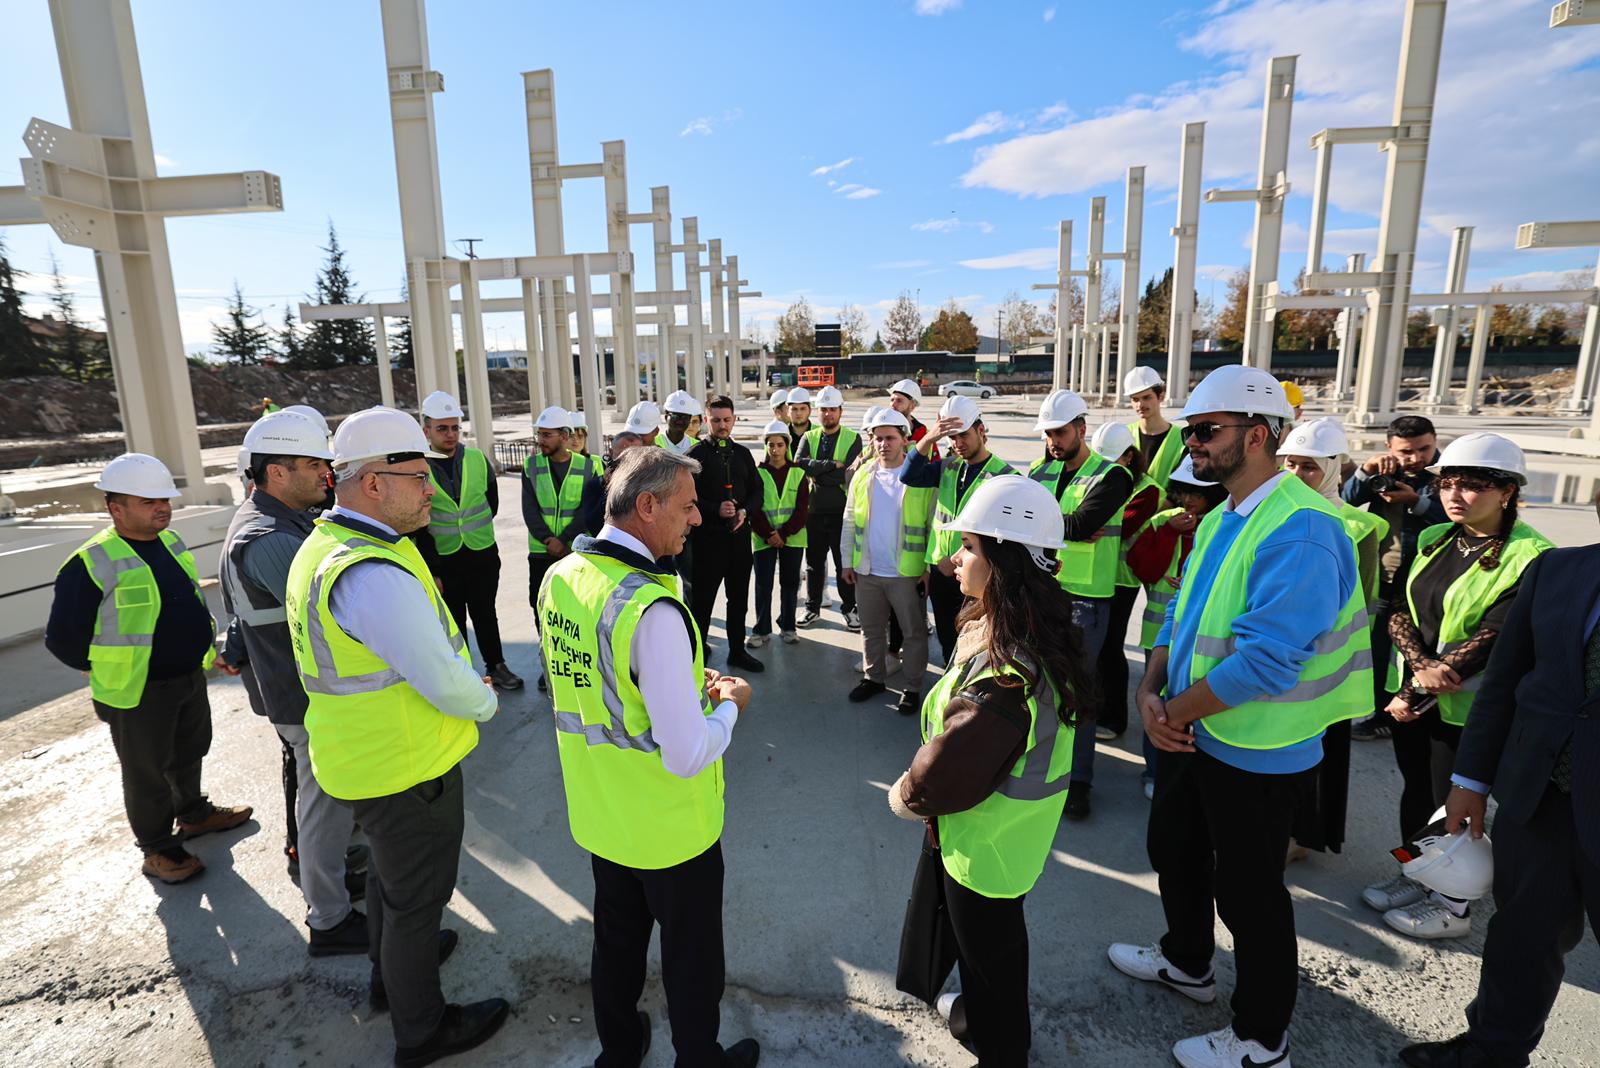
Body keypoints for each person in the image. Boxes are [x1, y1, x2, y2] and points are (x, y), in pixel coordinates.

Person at [1108, 365, 1369, 1068]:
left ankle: (1260, 1038)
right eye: (1189, 430)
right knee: (1175, 851)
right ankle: (1187, 962)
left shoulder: (1302, 530)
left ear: (1258, 436)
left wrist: (1170, 714)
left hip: (1258, 747)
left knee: (1250, 897)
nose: (1190, 442)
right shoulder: (1229, 513)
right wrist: (1150, 687)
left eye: (1205, 430)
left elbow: (1266, 663)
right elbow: (1182, 609)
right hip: (1196, 728)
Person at [284, 406, 507, 1066]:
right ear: (374, 482)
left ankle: (391, 976)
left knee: (391, 883)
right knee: (417, 901)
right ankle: (421, 1029)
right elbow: (442, 677)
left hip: (365, 757)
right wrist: (484, 701)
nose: (432, 489)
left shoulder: (334, 546)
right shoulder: (371, 574)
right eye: (419, 477)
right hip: (406, 766)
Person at [537, 446, 761, 1068]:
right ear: (647, 505)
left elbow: (595, 683)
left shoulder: (562, 578)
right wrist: (729, 708)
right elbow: (685, 754)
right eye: (687, 506)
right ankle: (699, 1059)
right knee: (692, 959)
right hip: (670, 830)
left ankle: (618, 1049)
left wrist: (680, 689)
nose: (697, 518)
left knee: (616, 943)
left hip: (601, 814)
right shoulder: (653, 610)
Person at [888, 475, 1092, 1068]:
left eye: (970, 546)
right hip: (1005, 837)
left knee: (990, 960)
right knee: (991, 949)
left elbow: (949, 765)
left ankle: (1002, 1048)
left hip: (987, 844)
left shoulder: (1007, 669)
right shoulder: (1022, 629)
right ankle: (979, 1019)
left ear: (1004, 561)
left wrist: (906, 795)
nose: (956, 558)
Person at [1396, 492, 1600, 1068]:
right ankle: (1491, 1051)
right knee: (1523, 937)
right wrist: (1470, 780)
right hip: (1542, 798)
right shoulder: (1558, 569)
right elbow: (1507, 679)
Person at [1361, 433, 1552, 939]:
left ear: (1507, 491)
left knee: (1456, 802)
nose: (1454, 495)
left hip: (1468, 709)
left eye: (1472, 485)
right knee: (1416, 789)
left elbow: (1496, 635)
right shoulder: (1435, 537)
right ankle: (1417, 871)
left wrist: (1420, 686)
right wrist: (1417, 670)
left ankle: (1453, 905)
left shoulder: (1532, 555)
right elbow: (1398, 606)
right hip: (1414, 694)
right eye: (1447, 484)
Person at [46, 453, 252, 885]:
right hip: (137, 689)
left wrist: (203, 651)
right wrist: (99, 667)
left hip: (187, 678)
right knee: (147, 773)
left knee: (189, 751)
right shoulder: (91, 562)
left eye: (164, 500)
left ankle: (193, 814)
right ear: (115, 508)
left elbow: (186, 603)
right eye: (148, 502)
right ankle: (157, 847)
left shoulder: (170, 543)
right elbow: (63, 638)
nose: (162, 508)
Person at [219, 412, 369, 953]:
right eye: (312, 464)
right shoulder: (268, 538)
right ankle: (329, 918)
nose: (325, 474)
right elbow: (340, 610)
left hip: (303, 693)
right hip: (303, 699)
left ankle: (337, 880)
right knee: (323, 808)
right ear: (276, 472)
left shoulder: (281, 521)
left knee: (332, 804)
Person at [1277, 417, 1388, 859]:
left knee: (1317, 756)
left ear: (1334, 468)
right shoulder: (1273, 511)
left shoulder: (1356, 527)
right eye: (1291, 464)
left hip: (1323, 662)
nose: (1297, 474)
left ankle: (1302, 837)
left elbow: (1359, 604)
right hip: (1280, 656)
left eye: (1309, 466)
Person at [1027, 391, 1137, 821]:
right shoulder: (1039, 471)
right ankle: (1042, 767)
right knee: (1038, 687)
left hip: (1085, 600)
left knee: (1077, 692)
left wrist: (1046, 524)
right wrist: (1062, 526)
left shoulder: (1112, 475)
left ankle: (1078, 781)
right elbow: (1057, 524)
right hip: (1040, 592)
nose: (1053, 441)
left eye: (1060, 432)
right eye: (1048, 434)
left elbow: (1084, 523)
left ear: (1081, 428)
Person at [1343, 415, 1450, 741]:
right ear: (1389, 446)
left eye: (1424, 449)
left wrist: (1416, 502)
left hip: (1424, 583)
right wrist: (1367, 471)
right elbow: (1345, 500)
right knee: (1378, 651)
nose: (1416, 458)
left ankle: (1410, 712)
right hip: (1383, 579)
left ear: (1435, 442)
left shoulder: (1446, 475)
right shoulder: (1385, 471)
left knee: (1416, 650)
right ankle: (1382, 714)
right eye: (1406, 451)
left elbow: (1454, 518)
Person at [1126, 457, 1228, 799]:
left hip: (1205, 638)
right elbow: (1143, 567)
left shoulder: (1224, 524)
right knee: (1156, 703)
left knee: (1193, 706)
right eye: (1184, 492)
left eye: (1197, 494)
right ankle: (1154, 770)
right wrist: (1168, 533)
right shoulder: (1163, 521)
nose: (1188, 500)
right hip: (1158, 634)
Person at [414, 391, 522, 691]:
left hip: (481, 553)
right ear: (426, 430)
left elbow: (492, 503)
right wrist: (432, 569)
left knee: (485, 613)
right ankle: (462, 676)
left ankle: (496, 666)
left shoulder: (477, 459)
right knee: (452, 621)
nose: (450, 434)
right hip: (443, 559)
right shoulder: (418, 467)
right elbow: (418, 524)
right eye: (442, 428)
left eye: (454, 428)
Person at [899, 394, 1013, 665]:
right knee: (947, 637)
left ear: (981, 431)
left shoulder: (1004, 476)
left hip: (978, 575)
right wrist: (929, 438)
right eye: (952, 437)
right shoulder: (949, 467)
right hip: (942, 572)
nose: (958, 443)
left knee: (975, 640)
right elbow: (908, 475)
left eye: (964, 435)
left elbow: (1001, 536)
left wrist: (956, 560)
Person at [841, 407, 934, 717]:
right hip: (868, 571)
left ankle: (913, 687)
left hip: (906, 573)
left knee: (913, 633)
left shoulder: (920, 476)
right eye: (878, 438)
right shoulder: (863, 474)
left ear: (905, 439)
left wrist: (927, 568)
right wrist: (847, 561)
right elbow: (850, 519)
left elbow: (932, 525)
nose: (883, 444)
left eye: (890, 438)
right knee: (871, 630)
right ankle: (874, 678)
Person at [523, 405, 607, 691]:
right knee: (542, 608)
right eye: (539, 434)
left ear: (564, 436)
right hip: (541, 551)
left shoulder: (589, 466)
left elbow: (589, 508)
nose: (541, 440)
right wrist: (549, 539)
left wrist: (565, 539)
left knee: (577, 609)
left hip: (576, 551)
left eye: (547, 435)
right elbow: (530, 509)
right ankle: (548, 664)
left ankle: (576, 663)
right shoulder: (531, 466)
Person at [1093, 421, 1162, 743]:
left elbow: (1122, 526)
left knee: (1110, 647)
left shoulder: (1147, 489)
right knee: (1094, 648)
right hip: (1094, 573)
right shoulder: (1100, 477)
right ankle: (1095, 708)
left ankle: (1114, 718)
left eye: (1114, 460)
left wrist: (1087, 519)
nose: (1107, 467)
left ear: (1130, 457)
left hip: (1121, 579)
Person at [688, 396, 765, 672]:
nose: (722, 425)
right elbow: (687, 499)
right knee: (702, 603)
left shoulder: (743, 454)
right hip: (707, 544)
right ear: (706, 420)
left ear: (734, 419)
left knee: (738, 601)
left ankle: (737, 651)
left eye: (727, 420)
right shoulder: (696, 456)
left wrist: (744, 511)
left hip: (739, 543)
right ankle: (697, 656)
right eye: (716, 420)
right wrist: (714, 509)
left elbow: (758, 491)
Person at [794, 384, 863, 631]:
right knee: (813, 564)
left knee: (844, 563)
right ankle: (812, 608)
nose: (828, 414)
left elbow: (849, 473)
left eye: (832, 409)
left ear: (840, 411)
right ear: (818, 412)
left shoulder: (852, 438)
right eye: (824, 409)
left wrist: (818, 472)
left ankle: (850, 609)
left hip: (841, 513)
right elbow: (799, 463)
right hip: (813, 512)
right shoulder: (809, 437)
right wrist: (832, 465)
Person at [749, 419, 809, 647]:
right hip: (763, 538)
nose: (775, 450)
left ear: (787, 446)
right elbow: (754, 509)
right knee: (763, 584)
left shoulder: (799, 473)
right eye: (771, 445)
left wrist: (782, 534)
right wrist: (769, 534)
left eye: (779, 445)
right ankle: (761, 629)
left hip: (792, 538)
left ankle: (788, 627)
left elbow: (802, 510)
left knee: (790, 583)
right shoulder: (757, 474)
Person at [1124, 365, 1186, 488]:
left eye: (1146, 397)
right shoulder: (1124, 434)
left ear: (1161, 397)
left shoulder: (1181, 438)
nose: (1140, 405)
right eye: (1135, 399)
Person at [889, 378, 938, 460]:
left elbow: (935, 463)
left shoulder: (925, 434)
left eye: (899, 401)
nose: (893, 405)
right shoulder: (882, 430)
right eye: (892, 400)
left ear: (912, 406)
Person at [662, 390, 703, 454]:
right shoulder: (654, 443)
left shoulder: (698, 446)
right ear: (666, 417)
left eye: (685, 417)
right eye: (675, 416)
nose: (680, 421)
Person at [786, 386, 814, 456]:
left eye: (802, 408)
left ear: (810, 411)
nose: (798, 413)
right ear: (788, 411)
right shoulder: (780, 433)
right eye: (794, 409)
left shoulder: (821, 433)